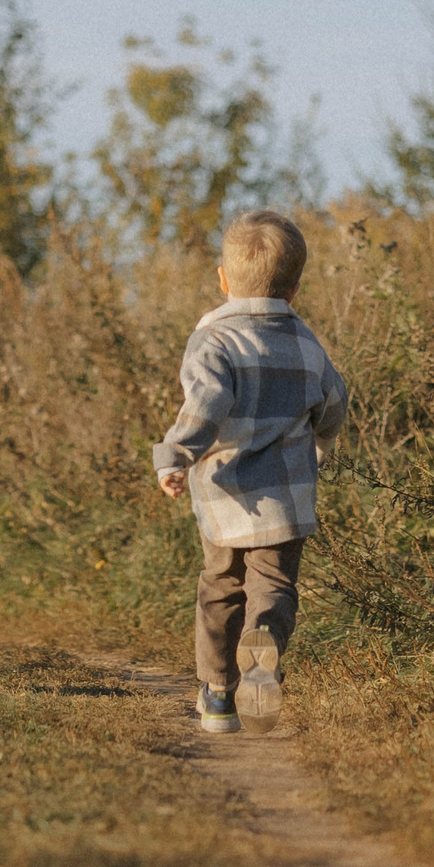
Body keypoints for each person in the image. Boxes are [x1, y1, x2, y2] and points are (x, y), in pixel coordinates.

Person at [154, 208, 350, 735]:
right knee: (274, 587)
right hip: (286, 499)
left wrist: (175, 454)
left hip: (224, 497)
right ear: (297, 287)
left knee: (220, 586)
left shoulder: (214, 341)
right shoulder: (307, 344)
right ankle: (261, 648)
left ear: (222, 280)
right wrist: (322, 445)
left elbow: (207, 403)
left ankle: (218, 696)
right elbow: (335, 403)